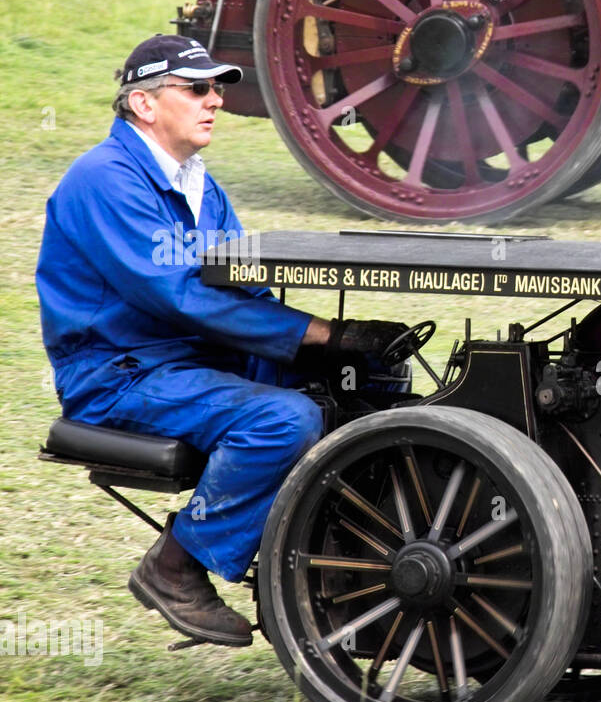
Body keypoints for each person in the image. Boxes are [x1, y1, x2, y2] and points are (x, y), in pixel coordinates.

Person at [36, 35, 407, 648]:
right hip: (120, 376)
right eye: (198, 88)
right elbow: (180, 296)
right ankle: (176, 564)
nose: (217, 101)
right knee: (284, 419)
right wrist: (319, 333)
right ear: (144, 104)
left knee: (369, 380)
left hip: (198, 360)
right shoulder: (103, 179)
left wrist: (332, 347)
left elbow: (241, 290)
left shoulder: (200, 186)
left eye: (219, 88)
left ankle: (354, 557)